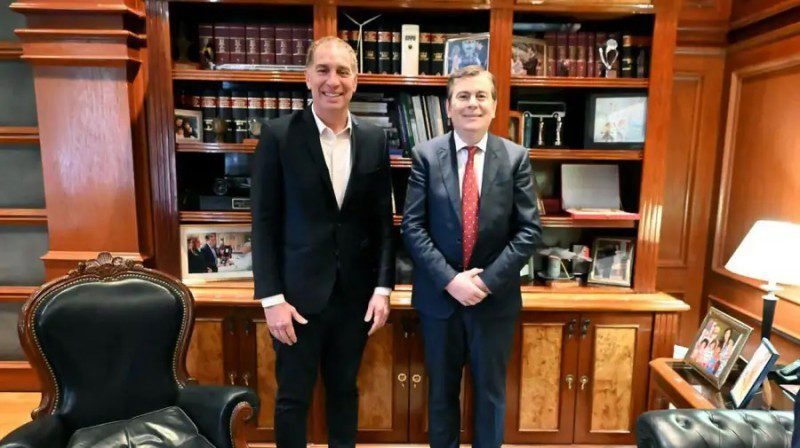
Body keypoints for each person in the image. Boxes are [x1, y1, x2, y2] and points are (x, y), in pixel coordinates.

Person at [251, 36, 394, 448]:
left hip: (355, 297)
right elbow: (263, 223)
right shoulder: (278, 136)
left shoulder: (374, 139)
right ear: (307, 78)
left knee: (345, 392)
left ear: (356, 81)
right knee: (293, 398)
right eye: (324, 70)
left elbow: (383, 222)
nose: (333, 81)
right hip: (295, 301)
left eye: (343, 71)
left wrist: (382, 288)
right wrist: (271, 299)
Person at [402, 65, 542, 448]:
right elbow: (412, 227)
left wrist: (483, 282)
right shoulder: (425, 156)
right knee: (441, 395)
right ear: (448, 107)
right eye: (463, 96)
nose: (472, 104)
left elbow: (529, 230)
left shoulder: (515, 158)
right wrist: (451, 281)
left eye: (481, 96)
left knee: (491, 397)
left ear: (494, 106)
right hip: (439, 300)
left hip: (494, 302)